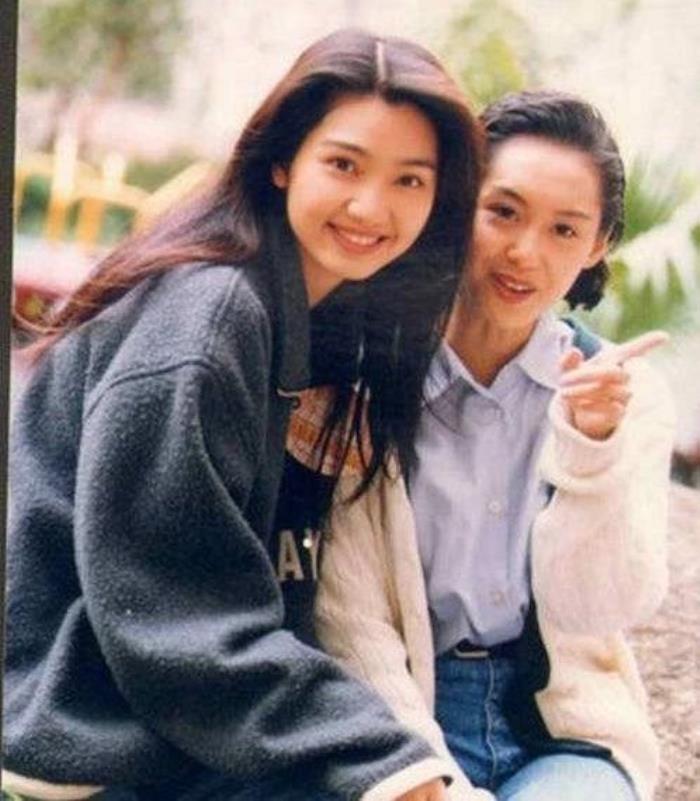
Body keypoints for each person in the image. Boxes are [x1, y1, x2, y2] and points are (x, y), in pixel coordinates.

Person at [2, 28, 484, 801]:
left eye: (409, 180)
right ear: (283, 160)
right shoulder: (211, 318)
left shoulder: (319, 318)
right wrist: (380, 758)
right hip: (86, 725)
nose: (372, 205)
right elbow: (174, 618)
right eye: (344, 164)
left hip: (179, 712)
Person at [309, 90, 675, 801]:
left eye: (564, 229)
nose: (524, 252)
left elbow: (603, 607)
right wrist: (422, 772)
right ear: (457, 203)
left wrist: (592, 446)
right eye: (503, 211)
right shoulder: (363, 383)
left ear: (598, 244)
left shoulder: (626, 394)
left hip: (563, 730)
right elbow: (350, 620)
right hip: (400, 708)